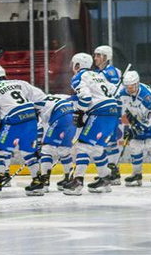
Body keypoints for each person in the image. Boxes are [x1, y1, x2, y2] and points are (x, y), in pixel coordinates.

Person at [0, 65, 46, 198]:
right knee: (28, 152)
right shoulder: (20, 83)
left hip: (14, 120)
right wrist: (35, 112)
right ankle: (38, 182)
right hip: (31, 117)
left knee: (0, 152)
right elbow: (41, 98)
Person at [62, 52, 122, 195]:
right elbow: (115, 92)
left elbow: (86, 97)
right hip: (113, 111)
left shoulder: (79, 77)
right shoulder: (99, 75)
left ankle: (77, 182)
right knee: (96, 148)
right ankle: (105, 180)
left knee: (83, 146)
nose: (72, 67)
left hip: (100, 113)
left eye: (74, 64)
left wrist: (80, 112)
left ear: (78, 65)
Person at [119, 71, 151, 187]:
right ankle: (137, 175)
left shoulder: (147, 97)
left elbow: (148, 123)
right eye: (127, 86)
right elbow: (127, 111)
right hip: (142, 118)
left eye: (132, 86)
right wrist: (129, 126)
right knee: (134, 144)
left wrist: (134, 128)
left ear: (137, 83)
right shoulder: (123, 93)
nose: (130, 89)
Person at [34, 94, 77, 194]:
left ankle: (44, 182)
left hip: (60, 117)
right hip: (72, 118)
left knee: (46, 150)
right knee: (63, 150)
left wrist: (39, 147)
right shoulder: (50, 97)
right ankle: (69, 179)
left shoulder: (33, 105)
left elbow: (39, 127)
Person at [93, 45, 123, 183]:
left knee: (108, 141)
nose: (95, 58)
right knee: (107, 142)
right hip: (107, 111)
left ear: (106, 57)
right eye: (95, 55)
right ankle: (110, 170)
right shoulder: (109, 71)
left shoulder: (108, 73)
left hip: (109, 111)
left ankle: (113, 171)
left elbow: (115, 92)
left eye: (99, 55)